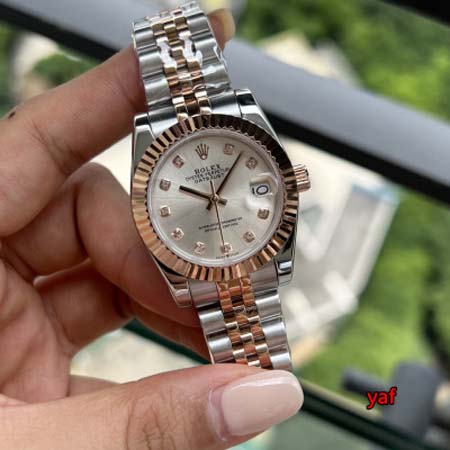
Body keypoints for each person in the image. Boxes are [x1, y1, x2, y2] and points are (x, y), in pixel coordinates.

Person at [0, 9, 303, 449]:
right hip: (211, 259)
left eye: (219, 193)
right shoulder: (202, 128)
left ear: (289, 183)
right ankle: (250, 385)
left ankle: (253, 384)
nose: (215, 199)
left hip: (229, 253)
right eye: (205, 195)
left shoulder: (238, 115)